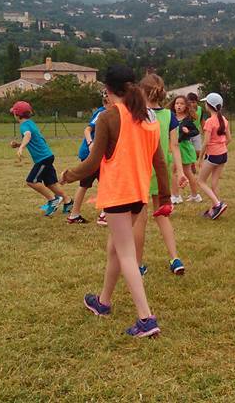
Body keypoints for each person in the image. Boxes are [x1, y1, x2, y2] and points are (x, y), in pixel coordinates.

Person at [60, 65, 171, 338]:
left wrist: (68, 175)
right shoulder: (148, 117)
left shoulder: (108, 117)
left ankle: (146, 318)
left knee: (126, 254)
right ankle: (103, 302)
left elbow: (92, 162)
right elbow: (160, 162)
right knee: (115, 247)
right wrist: (165, 197)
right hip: (138, 197)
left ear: (108, 90)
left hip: (119, 195)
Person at [133, 73, 187, 276]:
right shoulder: (169, 116)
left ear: (141, 91)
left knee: (140, 220)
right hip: (161, 172)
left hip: (141, 171)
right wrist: (180, 172)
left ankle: (137, 265)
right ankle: (175, 258)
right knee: (162, 215)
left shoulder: (137, 115)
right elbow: (175, 146)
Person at [10, 101, 69, 217]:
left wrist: (21, 147)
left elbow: (28, 135)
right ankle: (68, 201)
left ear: (17, 114)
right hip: (47, 156)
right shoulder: (30, 123)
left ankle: (53, 200)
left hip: (43, 159)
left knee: (31, 181)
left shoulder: (24, 126)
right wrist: (18, 144)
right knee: (51, 184)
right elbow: (33, 139)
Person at [66, 93, 109, 224]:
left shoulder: (109, 113)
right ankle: (104, 215)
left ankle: (74, 215)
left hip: (95, 155)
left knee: (86, 185)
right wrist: (91, 144)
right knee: (105, 184)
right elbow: (87, 129)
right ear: (107, 102)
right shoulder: (102, 113)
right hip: (91, 156)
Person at [196, 92, 230, 219]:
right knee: (214, 182)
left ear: (209, 105)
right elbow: (229, 139)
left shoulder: (209, 122)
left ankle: (217, 204)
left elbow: (206, 142)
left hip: (213, 156)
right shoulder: (224, 120)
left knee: (201, 181)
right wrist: (221, 146)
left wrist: (200, 158)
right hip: (223, 154)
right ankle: (214, 209)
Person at [171, 95, 203, 204]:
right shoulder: (172, 117)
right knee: (173, 171)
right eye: (177, 103)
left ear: (186, 106)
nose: (179, 106)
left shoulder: (187, 120)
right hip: (174, 147)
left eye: (181, 104)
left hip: (184, 147)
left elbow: (196, 131)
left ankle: (194, 195)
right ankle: (176, 195)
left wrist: (188, 132)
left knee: (187, 172)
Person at [187, 92, 205, 162]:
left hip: (196, 133)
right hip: (187, 134)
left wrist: (204, 131)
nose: (192, 104)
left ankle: (193, 162)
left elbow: (202, 121)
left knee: (198, 152)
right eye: (190, 102)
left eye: (193, 102)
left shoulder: (200, 109)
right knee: (189, 151)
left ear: (197, 102)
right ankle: (191, 164)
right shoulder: (186, 110)